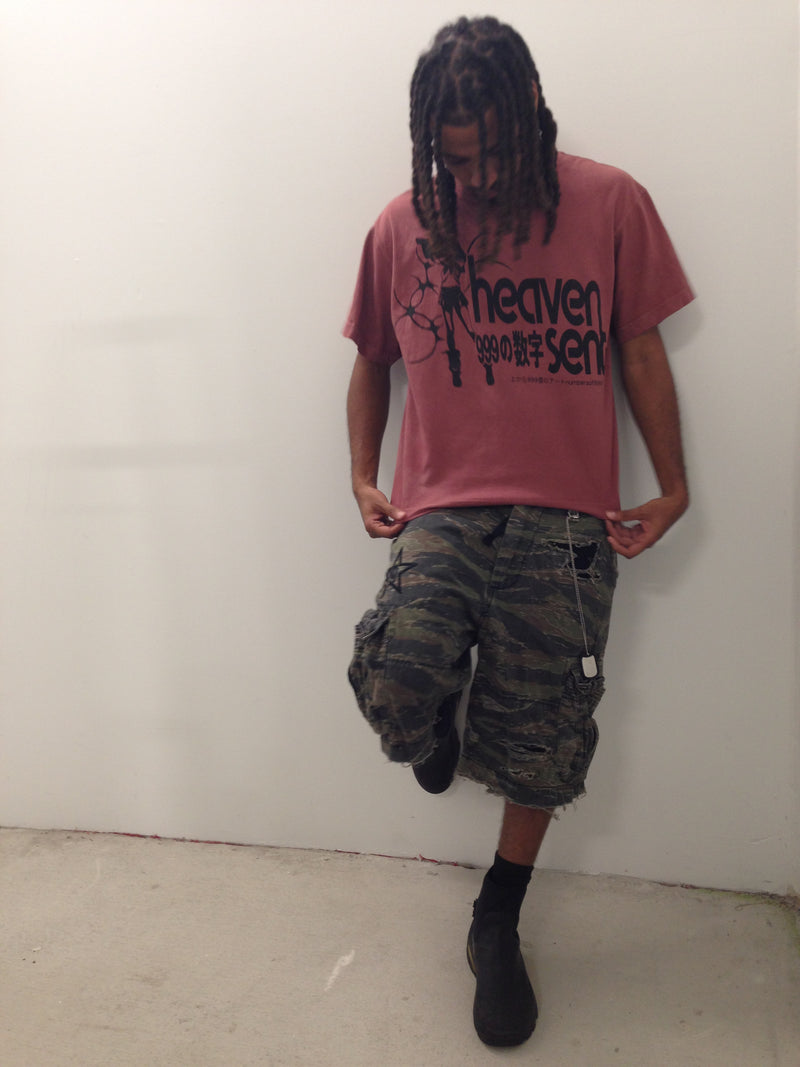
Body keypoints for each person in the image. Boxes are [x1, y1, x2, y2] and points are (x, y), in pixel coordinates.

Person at [344, 16, 692, 1048]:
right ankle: (434, 725)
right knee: (397, 681)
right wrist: (360, 474)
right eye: (456, 161)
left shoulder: (611, 202)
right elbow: (371, 359)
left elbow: (640, 349)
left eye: (491, 153)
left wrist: (673, 486)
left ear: (531, 104)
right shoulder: (403, 224)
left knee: (543, 736)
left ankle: (496, 917)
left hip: (568, 513)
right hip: (443, 503)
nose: (477, 177)